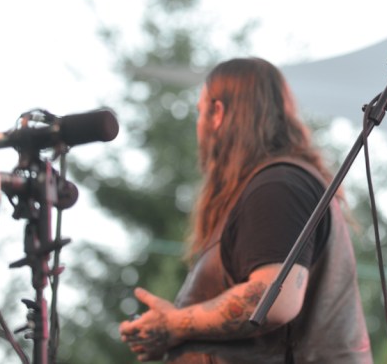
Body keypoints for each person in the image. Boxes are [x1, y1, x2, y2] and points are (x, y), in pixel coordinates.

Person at [119, 57, 371, 363]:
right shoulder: (273, 185)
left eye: (200, 111)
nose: (198, 125)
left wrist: (173, 324)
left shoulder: (278, 186)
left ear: (218, 113)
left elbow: (275, 300)